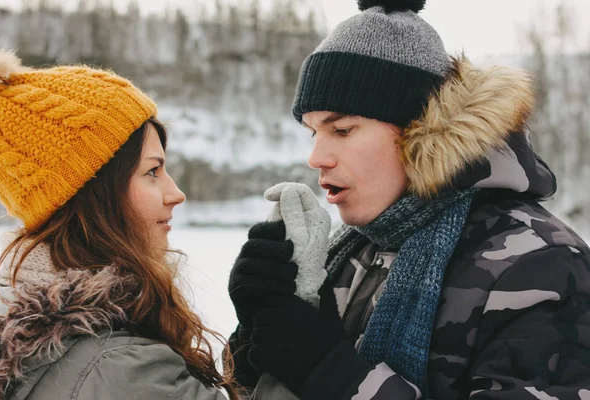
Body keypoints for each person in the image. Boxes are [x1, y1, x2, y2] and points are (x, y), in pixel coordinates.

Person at [226, 0, 590, 399]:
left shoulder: (540, 266)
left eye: (343, 130)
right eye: (313, 132)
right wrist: (258, 329)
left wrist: (332, 374)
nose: (316, 157)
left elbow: (324, 371)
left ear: (423, 132)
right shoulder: (349, 254)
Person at [0, 45, 238, 399]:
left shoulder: (28, 343)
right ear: (95, 195)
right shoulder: (119, 369)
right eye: (152, 171)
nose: (176, 193)